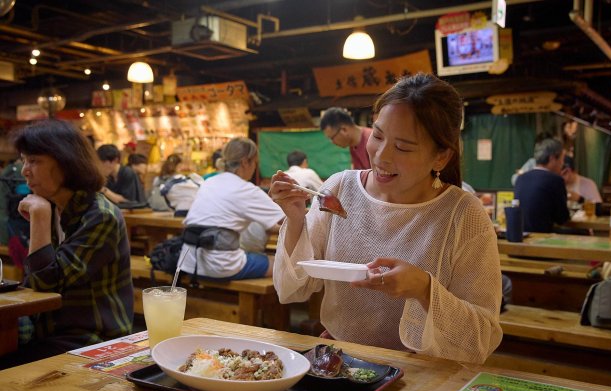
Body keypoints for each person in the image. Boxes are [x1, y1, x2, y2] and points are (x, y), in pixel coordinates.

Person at [269, 73, 502, 363]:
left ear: (441, 157)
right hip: (339, 362)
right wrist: (295, 221)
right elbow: (293, 289)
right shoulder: (339, 189)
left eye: (403, 147)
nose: (381, 156)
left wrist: (424, 289)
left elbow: (481, 338)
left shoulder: (464, 215)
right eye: (378, 135)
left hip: (420, 372)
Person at [0, 119, 133, 369]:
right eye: (24, 160)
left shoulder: (100, 215)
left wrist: (39, 218)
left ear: (66, 162)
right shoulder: (53, 206)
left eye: (34, 161)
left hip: (95, 340)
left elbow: (44, 284)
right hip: (52, 329)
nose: (24, 170)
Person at [179, 137, 284, 280]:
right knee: (284, 265)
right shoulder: (246, 189)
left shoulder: (209, 182)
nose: (255, 168)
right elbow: (286, 221)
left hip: (189, 261)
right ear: (245, 162)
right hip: (220, 265)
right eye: (255, 163)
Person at [514, 137, 570, 232]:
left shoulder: (521, 178)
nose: (563, 164)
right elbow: (562, 219)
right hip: (544, 238)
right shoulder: (555, 180)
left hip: (522, 236)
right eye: (562, 159)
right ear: (552, 159)